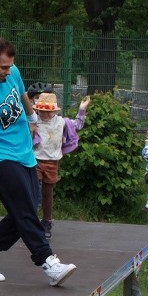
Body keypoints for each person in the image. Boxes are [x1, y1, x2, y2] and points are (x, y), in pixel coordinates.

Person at [0, 38, 76, 286]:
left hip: (24, 155)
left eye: (10, 67)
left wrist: (32, 119)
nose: (9, 72)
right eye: (4, 68)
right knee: (26, 211)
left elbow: (21, 95)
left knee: (24, 210)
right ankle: (48, 262)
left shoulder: (12, 72)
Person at [31, 92, 91, 238]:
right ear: (37, 110)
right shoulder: (33, 121)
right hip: (35, 160)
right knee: (34, 190)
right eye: (42, 111)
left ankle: (46, 222)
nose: (44, 115)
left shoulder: (61, 122)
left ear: (54, 111)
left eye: (48, 112)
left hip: (52, 162)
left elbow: (78, 125)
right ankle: (30, 221)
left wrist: (82, 109)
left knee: (48, 193)